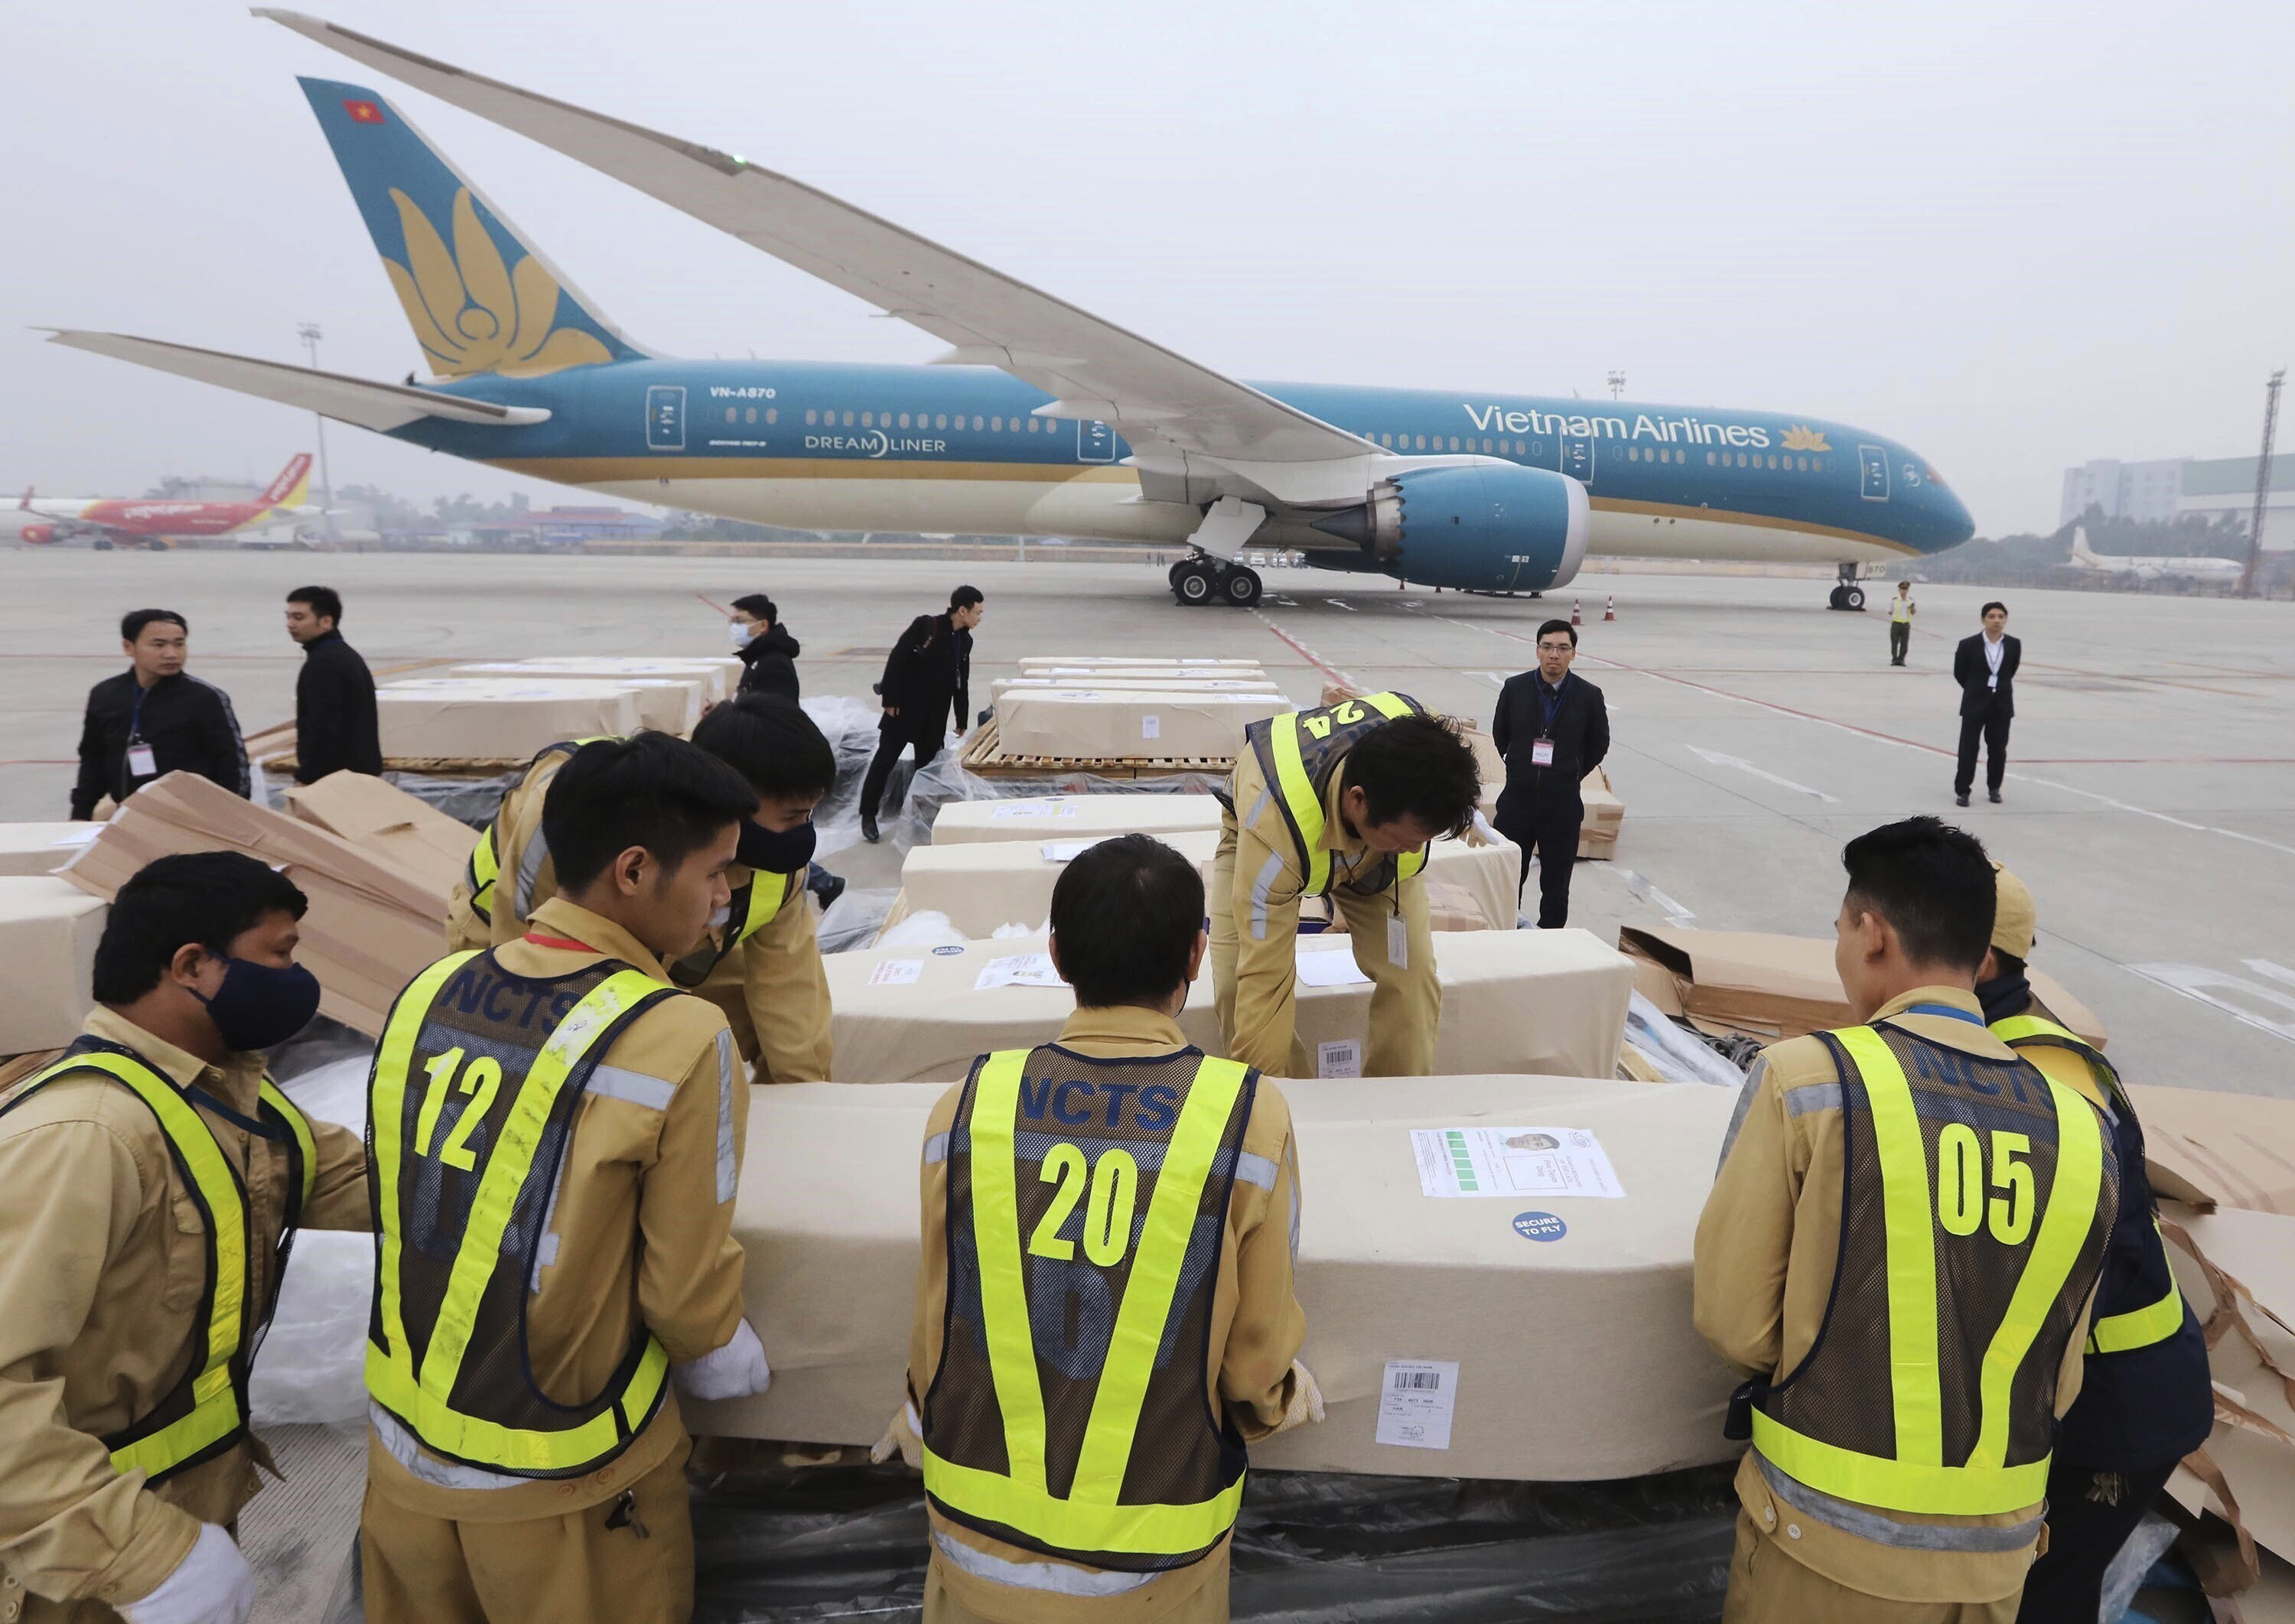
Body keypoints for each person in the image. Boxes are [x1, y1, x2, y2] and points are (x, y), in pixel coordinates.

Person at [360, 733, 774, 1624]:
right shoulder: (678, 1033)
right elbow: (682, 1289)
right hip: (567, 1488)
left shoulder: (430, 991)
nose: (721, 903)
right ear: (633, 869)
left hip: (402, 1470)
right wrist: (726, 1349)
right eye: (715, 873)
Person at [877, 834, 1320, 1622]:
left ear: (1055, 953)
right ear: (1196, 953)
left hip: (975, 1544)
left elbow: (932, 1320)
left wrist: (916, 1411)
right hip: (1154, 1566)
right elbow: (1253, 1367)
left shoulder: (969, 1102)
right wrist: (1280, 1402)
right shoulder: (1248, 1115)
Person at [1694, 816, 2119, 1623]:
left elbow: (1735, 1319)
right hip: (1995, 1564)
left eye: (1841, 931)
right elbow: (2060, 1375)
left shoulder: (1810, 1080)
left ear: (1875, 933)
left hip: (1825, 1547)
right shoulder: (2081, 1123)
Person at [0, 851, 367, 1624]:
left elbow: (362, 1181)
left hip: (183, 1513)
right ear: (193, 965)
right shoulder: (86, 1135)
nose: (298, 978)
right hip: (74, 1565)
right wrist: (145, 1557)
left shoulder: (229, 1101)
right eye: (281, 953)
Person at [1978, 867, 2212, 1624]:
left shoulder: (2040, 1083)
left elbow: (2070, 1275)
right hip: (2105, 1387)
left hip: (2122, 1404)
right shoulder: (1995, 1050)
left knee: (2043, 1595)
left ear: (1978, 960)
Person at [447, 698, 840, 1083]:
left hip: (670, 937)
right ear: (729, 800)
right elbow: (529, 968)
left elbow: (791, 989)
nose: (803, 831)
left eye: (809, 814)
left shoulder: (775, 856)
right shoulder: (576, 813)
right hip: (515, 933)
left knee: (737, 1027)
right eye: (792, 816)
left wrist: (806, 1101)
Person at [1209, 694, 1482, 1079]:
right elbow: (1263, 983)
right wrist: (1264, 1107)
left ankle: (1391, 1104)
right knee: (1238, 991)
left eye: (1425, 839)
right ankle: (1293, 1109)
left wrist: (1464, 815)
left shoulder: (1420, 733)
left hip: (1375, 857)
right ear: (1358, 800)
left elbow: (1444, 777)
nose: (1415, 851)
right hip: (1273, 836)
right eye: (1407, 839)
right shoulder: (1273, 834)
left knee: (1411, 977)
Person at [70, 610, 249, 819]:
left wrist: (232, 818)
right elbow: (93, 758)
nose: (171, 654)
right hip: (130, 814)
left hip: (191, 818)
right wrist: (80, 814)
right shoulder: (105, 695)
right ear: (129, 647)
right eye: (159, 645)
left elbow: (233, 764)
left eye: (179, 644)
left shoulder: (205, 698)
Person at [1490, 619, 1610, 927]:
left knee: (1556, 887)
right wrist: (1518, 767)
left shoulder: (1588, 695)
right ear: (1537, 651)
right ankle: (1505, 936)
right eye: (1547, 647)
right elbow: (1500, 733)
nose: (1554, 654)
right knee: (1508, 878)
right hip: (1517, 801)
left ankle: (1551, 946)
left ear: (1573, 654)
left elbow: (1599, 744)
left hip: (1562, 805)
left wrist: (1571, 773)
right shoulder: (1515, 688)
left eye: (1562, 648)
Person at [860, 585, 985, 842]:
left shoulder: (965, 641)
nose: (980, 617)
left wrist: (961, 718)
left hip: (934, 717)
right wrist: (890, 699)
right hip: (904, 710)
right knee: (884, 762)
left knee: (927, 772)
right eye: (978, 612)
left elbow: (962, 680)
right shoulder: (928, 626)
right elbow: (898, 659)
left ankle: (919, 818)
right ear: (962, 610)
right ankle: (868, 815)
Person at [285, 584, 382, 782]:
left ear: (326, 622)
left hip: (337, 779)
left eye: (299, 618)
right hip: (359, 774)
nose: (290, 624)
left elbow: (324, 729)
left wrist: (306, 777)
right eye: (288, 617)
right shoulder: (344, 655)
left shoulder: (324, 665)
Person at [1953, 601, 2020, 807]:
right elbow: (1960, 673)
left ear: (2006, 619)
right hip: (1974, 704)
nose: (1996, 620)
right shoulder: (1968, 644)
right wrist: (1976, 689)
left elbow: (2011, 670)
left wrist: (1997, 690)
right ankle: (1963, 790)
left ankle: (1994, 788)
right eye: (1992, 616)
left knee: (1998, 749)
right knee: (1968, 749)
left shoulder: (2013, 644)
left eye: (2001, 616)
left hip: (2001, 705)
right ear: (1983, 619)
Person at [728, 593, 802, 701]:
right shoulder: (757, 658)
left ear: (763, 625)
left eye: (740, 621)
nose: (735, 627)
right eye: (733, 622)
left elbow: (772, 713)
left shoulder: (774, 664)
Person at [1888, 579, 1917, 666]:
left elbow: (1913, 613)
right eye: (1902, 589)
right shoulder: (1894, 600)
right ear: (1899, 590)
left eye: (1905, 589)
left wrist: (1912, 609)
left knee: (1904, 644)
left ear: (1908, 590)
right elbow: (1890, 611)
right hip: (1896, 624)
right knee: (1894, 643)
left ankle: (1901, 659)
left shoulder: (1911, 601)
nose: (1904, 591)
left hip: (1905, 625)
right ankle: (1894, 659)